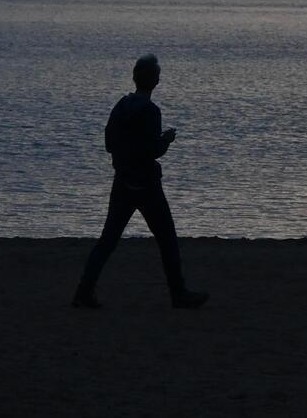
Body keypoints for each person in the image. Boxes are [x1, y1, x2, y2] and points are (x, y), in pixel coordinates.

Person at [73, 53, 209, 310]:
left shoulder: (121, 106)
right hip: (146, 185)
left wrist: (127, 154)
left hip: (123, 181)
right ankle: (178, 293)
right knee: (167, 238)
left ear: (135, 78)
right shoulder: (150, 111)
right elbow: (153, 150)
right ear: (155, 81)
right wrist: (166, 140)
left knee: (108, 240)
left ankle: (84, 290)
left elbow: (109, 144)